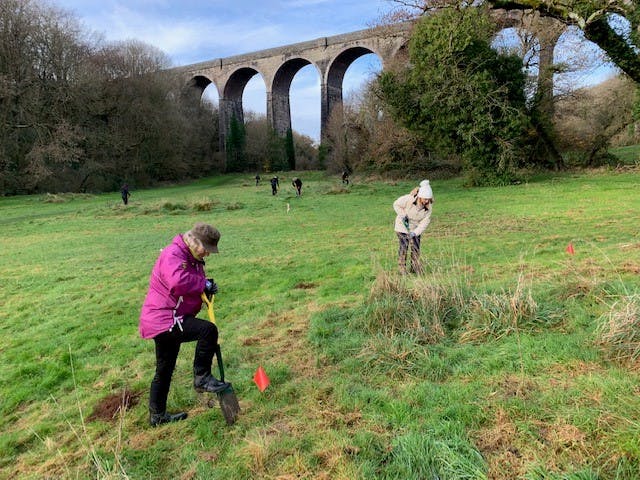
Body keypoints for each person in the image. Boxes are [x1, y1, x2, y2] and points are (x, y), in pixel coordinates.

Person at [139, 222, 229, 427]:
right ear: (194, 241)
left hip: (171, 317)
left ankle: (157, 416)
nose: (208, 254)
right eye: (206, 249)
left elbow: (192, 284)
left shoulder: (193, 258)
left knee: (164, 368)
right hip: (164, 317)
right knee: (208, 330)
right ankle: (202, 377)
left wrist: (206, 288)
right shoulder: (173, 254)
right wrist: (201, 284)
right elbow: (177, 282)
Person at [393, 180, 434, 274]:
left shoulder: (429, 207)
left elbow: (425, 222)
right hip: (402, 226)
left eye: (428, 199)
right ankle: (401, 268)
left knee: (416, 246)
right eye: (425, 199)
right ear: (420, 197)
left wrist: (415, 232)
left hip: (415, 228)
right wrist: (403, 215)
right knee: (404, 245)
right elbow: (396, 204)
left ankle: (415, 267)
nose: (426, 201)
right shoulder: (409, 199)